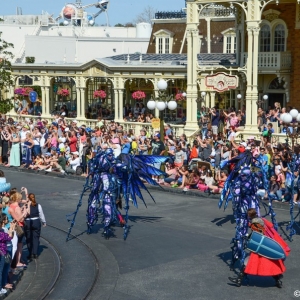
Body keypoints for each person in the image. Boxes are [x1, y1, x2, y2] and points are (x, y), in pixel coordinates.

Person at [229, 208, 290, 288]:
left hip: (260, 246)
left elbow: (258, 235)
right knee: (270, 263)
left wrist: (248, 236)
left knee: (247, 262)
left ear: (249, 215)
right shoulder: (261, 220)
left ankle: (239, 280)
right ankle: (278, 280)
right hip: (265, 246)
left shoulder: (255, 223)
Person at [24, 193, 46, 260]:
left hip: (27, 222)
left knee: (28, 238)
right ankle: (35, 253)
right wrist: (44, 222)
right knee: (36, 238)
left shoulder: (26, 205)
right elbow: (41, 214)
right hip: (36, 222)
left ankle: (30, 253)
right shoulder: (38, 205)